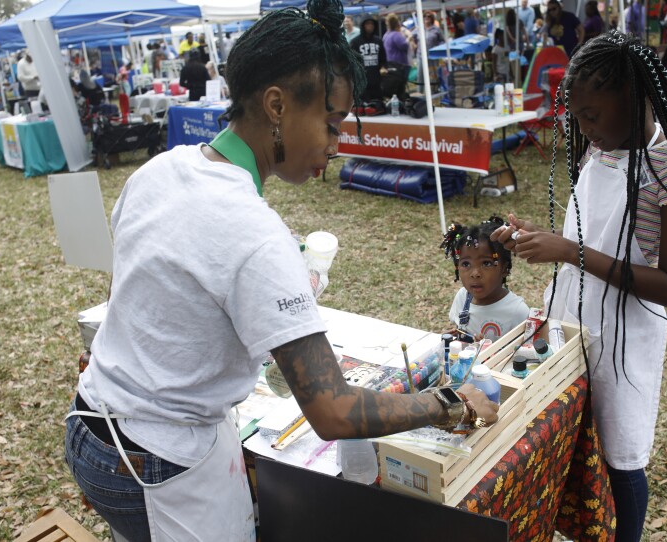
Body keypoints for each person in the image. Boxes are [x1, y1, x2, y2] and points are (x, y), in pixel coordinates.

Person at [63, 2, 500, 540]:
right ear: (276, 105)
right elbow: (334, 412)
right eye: (332, 123)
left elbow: (134, 302)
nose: (337, 147)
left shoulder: (161, 169)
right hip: (151, 460)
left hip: (89, 423)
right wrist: (448, 405)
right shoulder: (254, 232)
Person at [494, 31, 667, 542]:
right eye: (577, 116)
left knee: (621, 453)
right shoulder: (604, 149)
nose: (584, 127)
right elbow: (587, 234)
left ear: (635, 98)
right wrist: (539, 238)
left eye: (593, 115)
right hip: (572, 321)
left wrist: (570, 252)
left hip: (623, 338)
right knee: (573, 432)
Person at [441, 216, 529, 342]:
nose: (475, 273)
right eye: (466, 264)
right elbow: (460, 333)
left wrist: (487, 350)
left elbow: (526, 354)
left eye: (487, 263)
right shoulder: (462, 297)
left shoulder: (518, 312)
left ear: (504, 269)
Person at [350, 17, 387, 103]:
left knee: (377, 104)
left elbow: (383, 57)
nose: (370, 26)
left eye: (372, 24)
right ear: (363, 26)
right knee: (364, 105)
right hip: (362, 79)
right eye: (367, 24)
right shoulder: (355, 42)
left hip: (376, 78)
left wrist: (383, 67)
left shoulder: (378, 41)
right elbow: (352, 60)